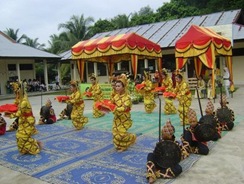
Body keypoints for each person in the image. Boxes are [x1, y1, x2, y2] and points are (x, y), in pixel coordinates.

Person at [10, 82, 42, 155]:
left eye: (17, 91)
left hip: (28, 121)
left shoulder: (24, 101)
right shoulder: (20, 99)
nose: (16, 93)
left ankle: (36, 146)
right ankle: (24, 148)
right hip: (22, 120)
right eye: (15, 91)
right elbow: (15, 105)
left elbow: (19, 112)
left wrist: (10, 115)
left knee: (23, 136)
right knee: (18, 135)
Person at [111, 74, 136, 152]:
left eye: (118, 86)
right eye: (116, 86)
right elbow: (111, 104)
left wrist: (115, 109)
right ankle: (119, 144)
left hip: (124, 118)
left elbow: (124, 108)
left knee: (121, 134)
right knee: (115, 133)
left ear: (123, 87)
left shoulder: (127, 97)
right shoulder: (115, 97)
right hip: (117, 118)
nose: (116, 88)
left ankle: (131, 138)